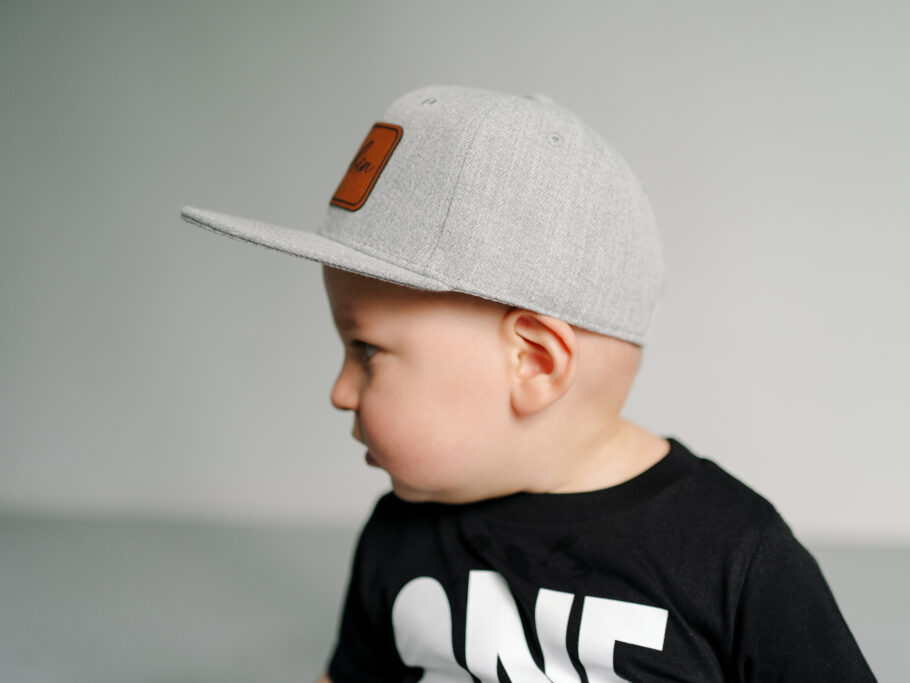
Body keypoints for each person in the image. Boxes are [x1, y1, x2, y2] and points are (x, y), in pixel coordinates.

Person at [181, 85, 875, 682]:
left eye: (367, 351)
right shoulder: (399, 536)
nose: (339, 389)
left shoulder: (730, 555)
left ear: (534, 362)